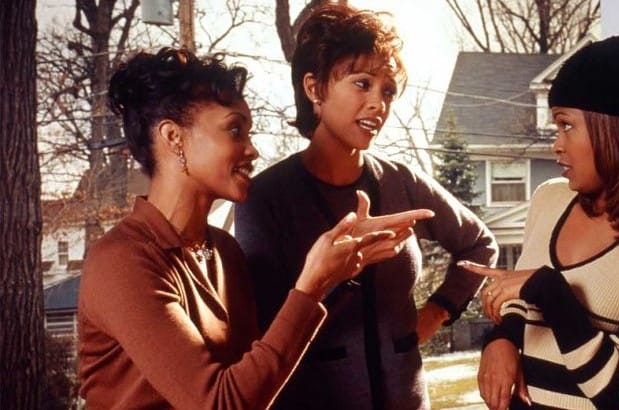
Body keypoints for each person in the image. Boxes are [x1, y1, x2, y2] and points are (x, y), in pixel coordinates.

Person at [77, 47, 434, 410]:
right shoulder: (122, 261)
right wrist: (310, 287)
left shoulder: (223, 251)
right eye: (235, 130)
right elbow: (221, 403)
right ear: (172, 137)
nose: (252, 150)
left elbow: (261, 374)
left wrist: (337, 272)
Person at [234, 4, 498, 410]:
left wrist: (437, 311)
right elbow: (265, 329)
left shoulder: (400, 181)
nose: (379, 104)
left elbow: (479, 243)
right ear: (314, 89)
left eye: (388, 91)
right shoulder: (266, 197)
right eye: (362, 84)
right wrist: (337, 273)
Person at [459, 35, 619, 410]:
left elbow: (614, 391)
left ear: (618, 130)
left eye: (566, 125)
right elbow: (522, 300)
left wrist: (549, 289)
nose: (556, 144)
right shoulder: (550, 200)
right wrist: (501, 339)